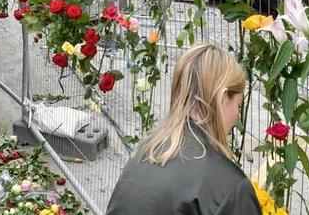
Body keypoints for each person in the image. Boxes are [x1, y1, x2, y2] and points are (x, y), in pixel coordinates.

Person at [105, 43, 260, 215]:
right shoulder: (230, 189)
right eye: (238, 106)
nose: (237, 116)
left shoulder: (144, 154)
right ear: (223, 98)